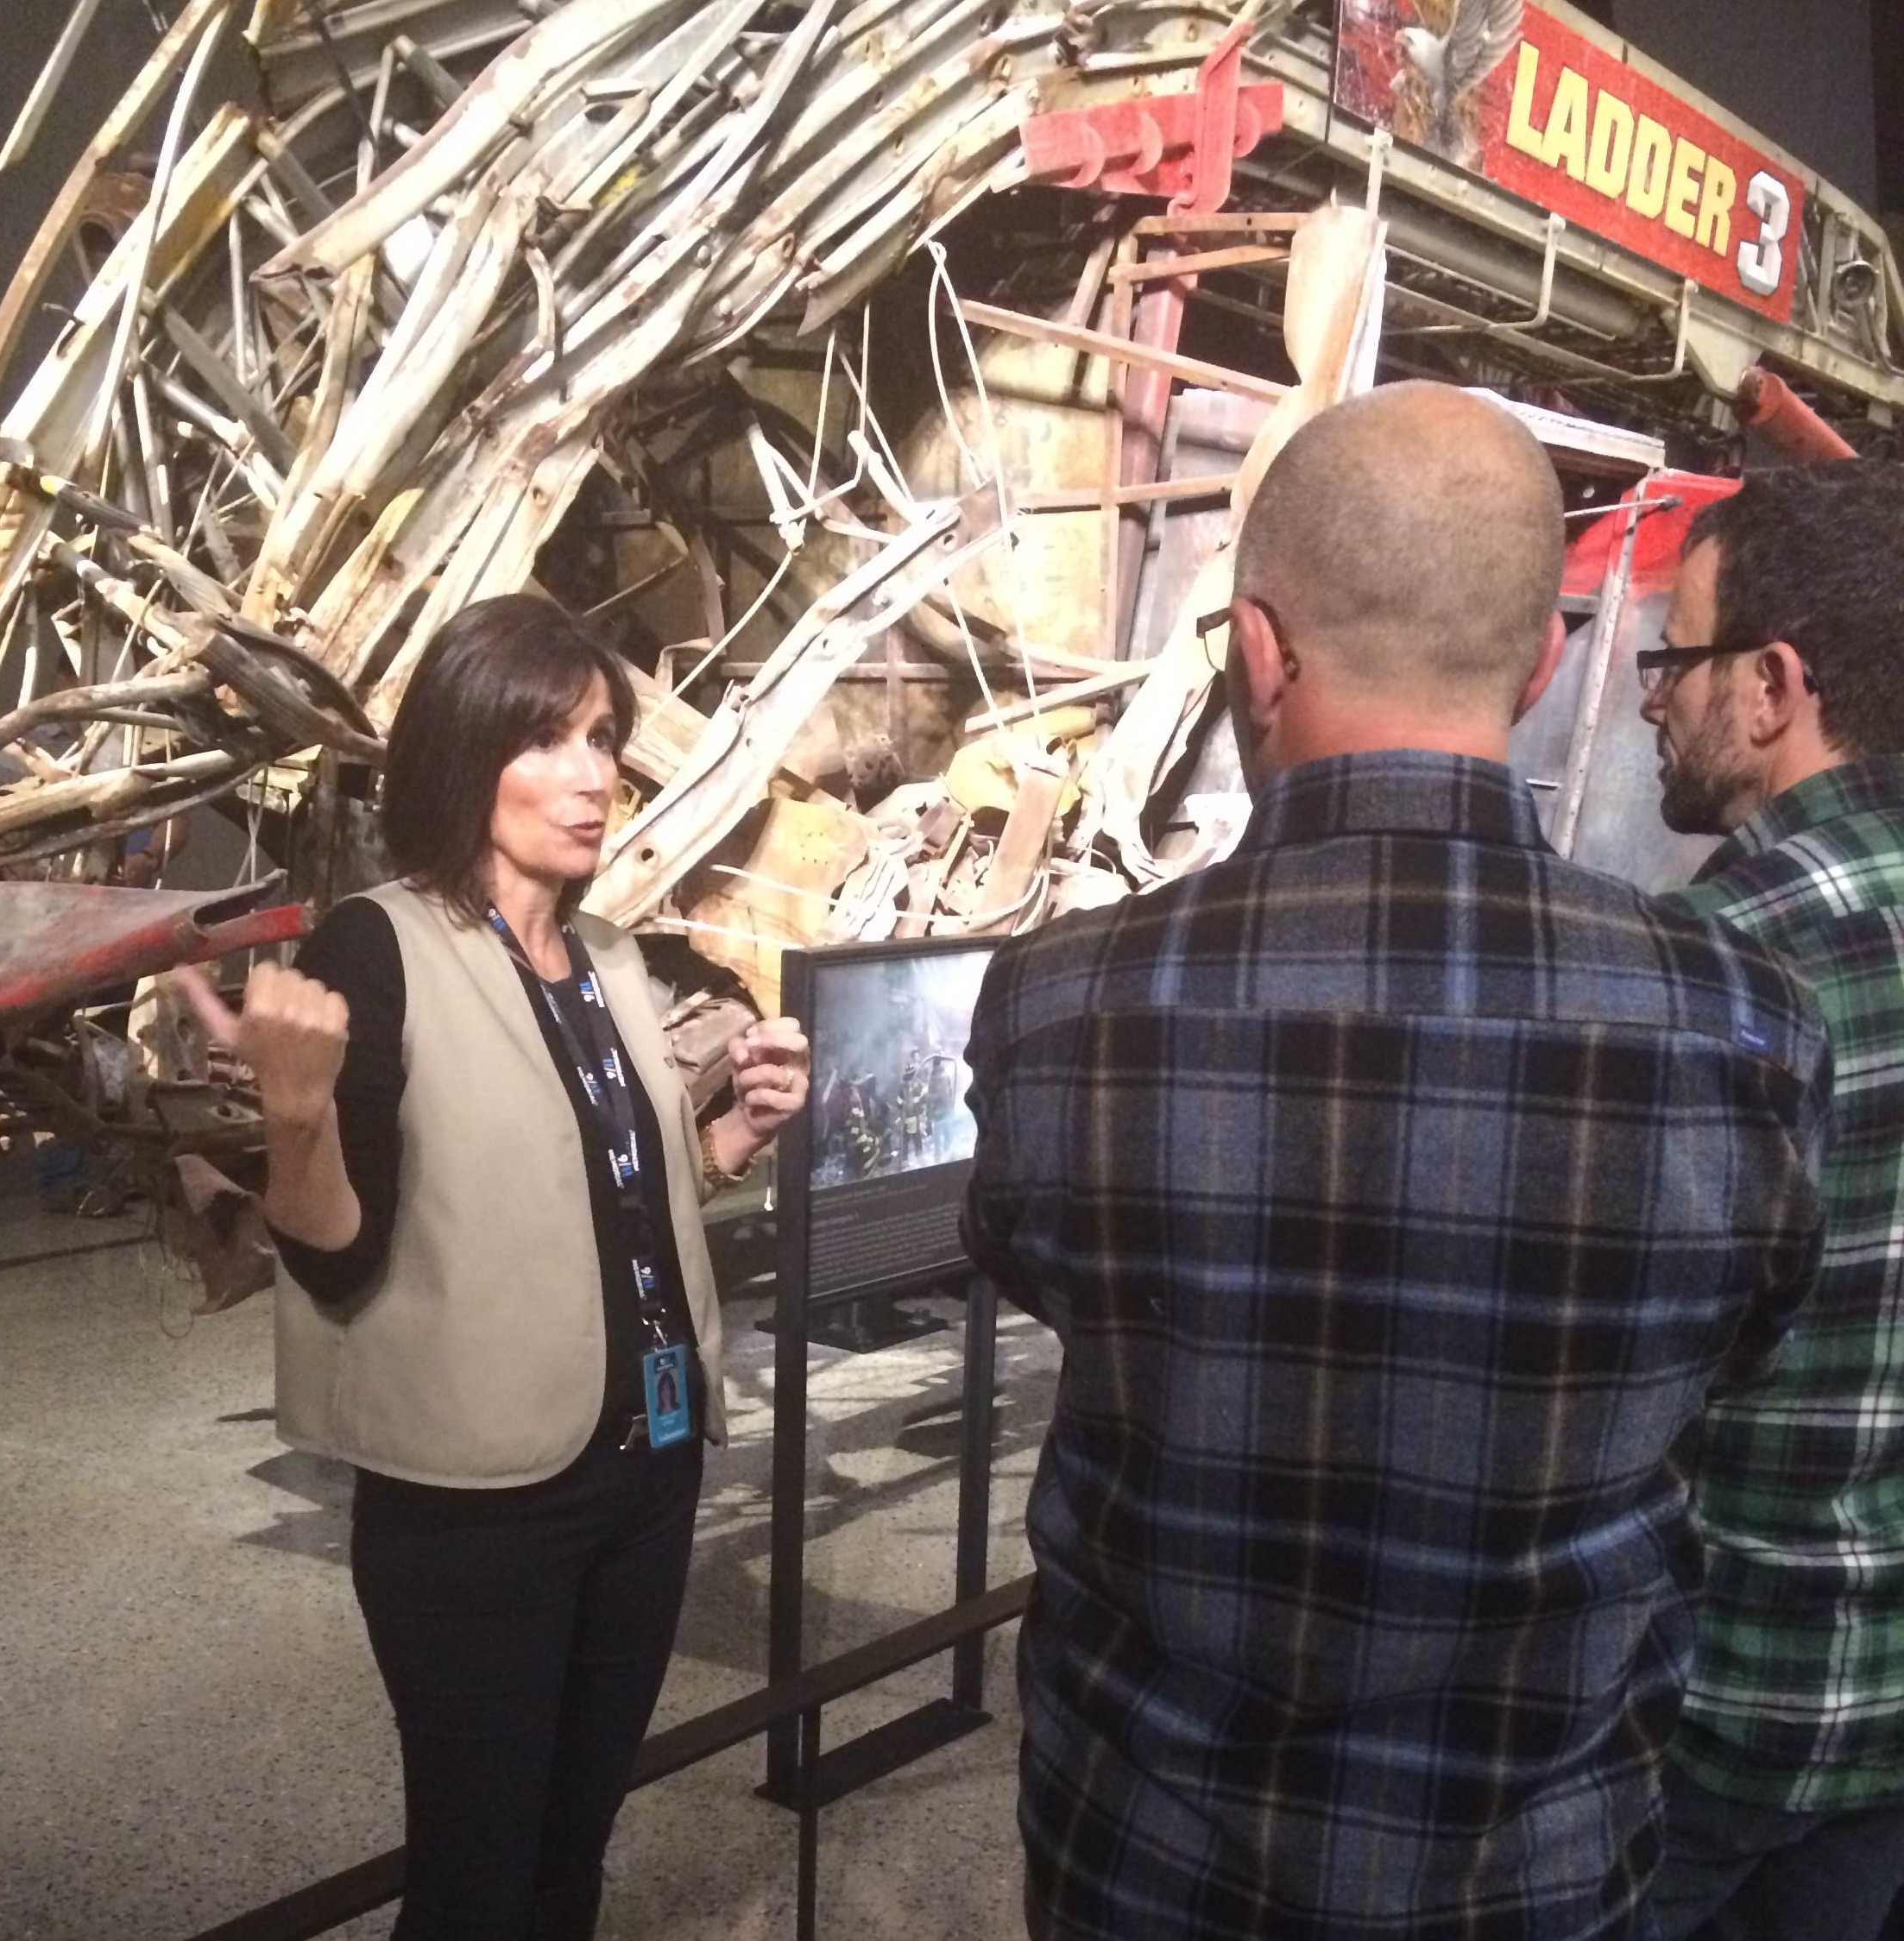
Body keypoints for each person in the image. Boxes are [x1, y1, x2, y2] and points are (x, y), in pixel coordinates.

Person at [960, 382, 1832, 1941]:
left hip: (1146, 1862)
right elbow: (1734, 1357)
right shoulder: (1743, 1026)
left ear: (1256, 649)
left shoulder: (1057, 1008)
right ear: (1543, 661)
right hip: (1534, 1879)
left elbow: (1039, 1274)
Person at [173, 595, 808, 1941]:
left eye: (604, 739)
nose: (595, 776)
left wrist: (730, 1137)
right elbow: (336, 1253)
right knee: (474, 1875)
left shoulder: (610, 959)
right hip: (481, 1504)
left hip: (647, 1461)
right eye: (550, 740)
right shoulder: (377, 944)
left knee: (574, 1847)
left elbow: (586, 1193)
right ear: (463, 754)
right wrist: (292, 1111)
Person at [1637, 462, 1904, 1941]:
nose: (1646, 700)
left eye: (1673, 661)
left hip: (1720, 1705)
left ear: (1770, 686)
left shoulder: (1709, 966)